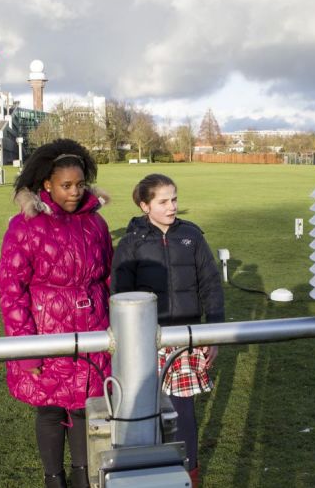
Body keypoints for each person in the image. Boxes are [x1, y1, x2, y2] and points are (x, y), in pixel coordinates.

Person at [0, 139, 112, 488]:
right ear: (47, 184)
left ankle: (82, 477)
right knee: (49, 409)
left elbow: (108, 276)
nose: (74, 192)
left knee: (84, 407)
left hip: (92, 329)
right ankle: (53, 480)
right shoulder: (24, 226)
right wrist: (27, 350)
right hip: (47, 333)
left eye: (79, 185)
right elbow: (12, 291)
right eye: (66, 186)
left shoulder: (96, 224)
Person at [111, 173, 224, 488]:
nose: (172, 206)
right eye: (163, 201)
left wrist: (212, 333)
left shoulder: (192, 236)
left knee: (183, 415)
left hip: (185, 339)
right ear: (145, 205)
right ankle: (147, 475)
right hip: (144, 342)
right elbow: (119, 294)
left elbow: (211, 285)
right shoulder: (131, 242)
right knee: (144, 415)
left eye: (174, 199)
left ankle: (189, 475)